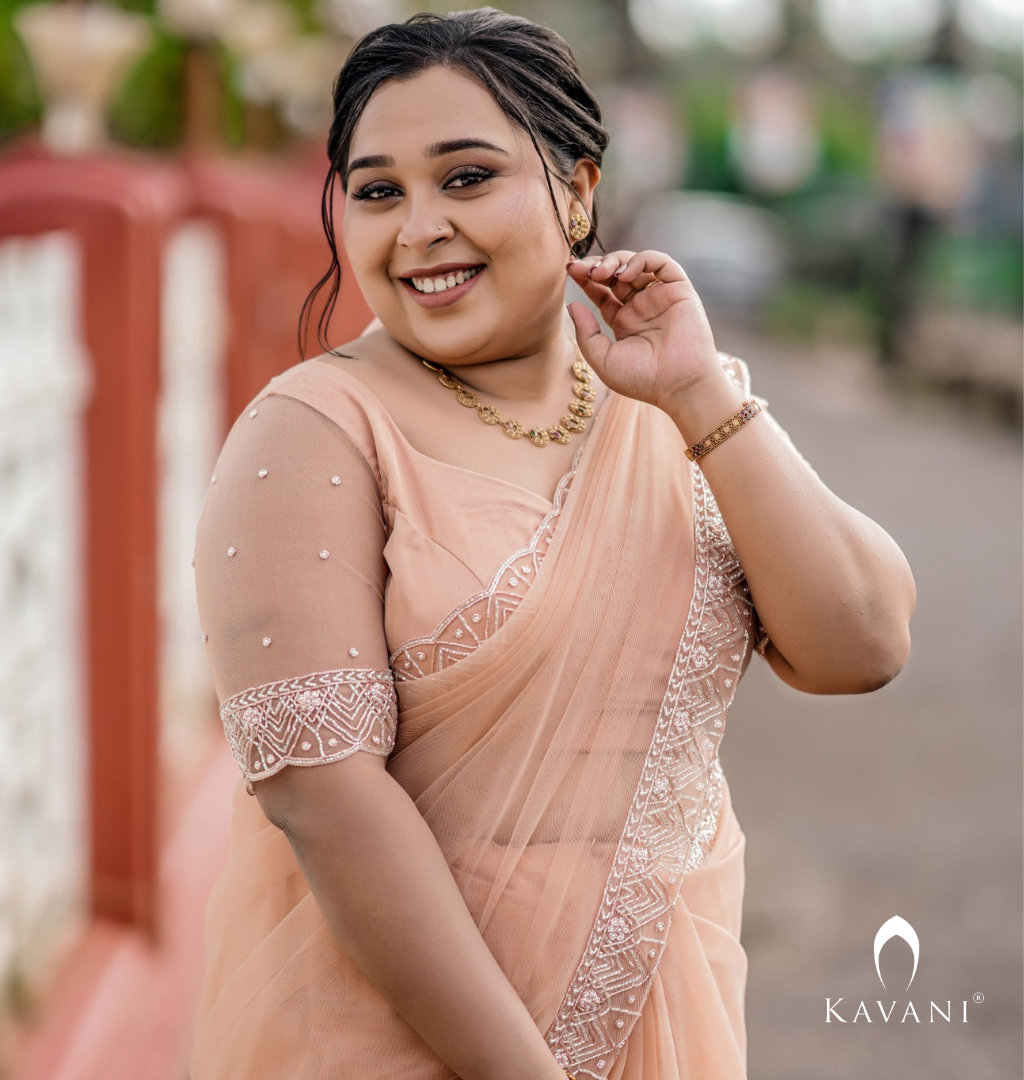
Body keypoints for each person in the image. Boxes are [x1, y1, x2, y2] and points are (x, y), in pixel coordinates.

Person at [189, 10, 915, 1080]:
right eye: (378, 190)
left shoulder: (673, 412)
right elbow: (324, 798)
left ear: (576, 191)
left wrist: (698, 392)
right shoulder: (315, 431)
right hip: (397, 1031)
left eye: (467, 177)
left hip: (665, 1017)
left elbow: (863, 642)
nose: (419, 227)